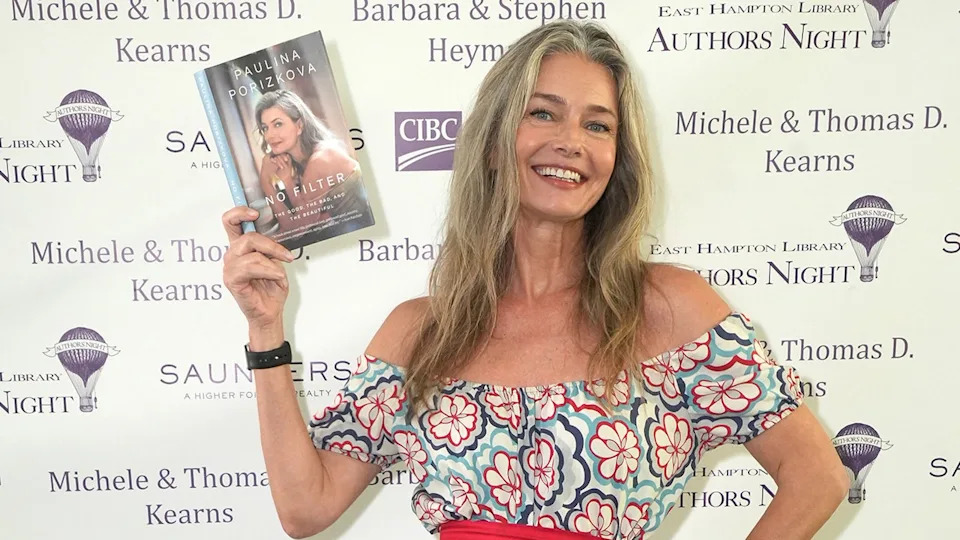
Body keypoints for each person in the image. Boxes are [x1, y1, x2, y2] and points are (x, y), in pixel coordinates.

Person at [221, 20, 848, 540]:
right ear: (494, 144)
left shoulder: (669, 308)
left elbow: (817, 477)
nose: (572, 142)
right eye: (543, 114)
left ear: (617, 158)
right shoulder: (422, 331)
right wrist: (265, 330)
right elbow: (306, 508)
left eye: (597, 125)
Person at [254, 89, 372, 243]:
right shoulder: (305, 159)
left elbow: (294, 230)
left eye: (278, 124)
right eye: (265, 128)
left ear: (299, 126)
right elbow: (303, 211)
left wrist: (265, 181)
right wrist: (288, 181)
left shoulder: (320, 160)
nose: (269, 135)